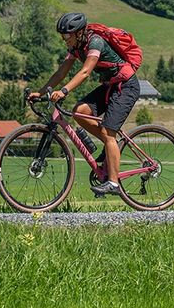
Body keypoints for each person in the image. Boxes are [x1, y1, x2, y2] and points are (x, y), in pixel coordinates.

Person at [29, 12, 141, 197]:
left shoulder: (94, 42)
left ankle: (113, 182)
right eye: (62, 36)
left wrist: (64, 91)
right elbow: (60, 73)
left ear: (79, 32)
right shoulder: (75, 48)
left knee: (108, 133)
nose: (64, 39)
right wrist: (41, 91)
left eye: (67, 35)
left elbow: (85, 72)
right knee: (79, 112)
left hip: (126, 86)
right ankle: (110, 146)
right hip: (109, 86)